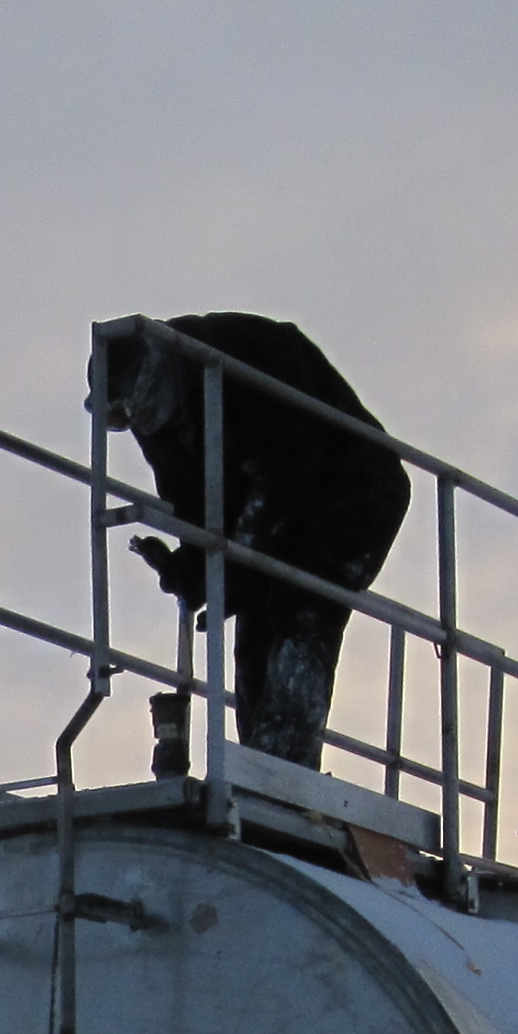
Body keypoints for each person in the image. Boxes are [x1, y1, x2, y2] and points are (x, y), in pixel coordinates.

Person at [93, 312, 411, 770]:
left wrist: (231, 569)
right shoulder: (152, 415)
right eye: (122, 417)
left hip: (353, 489)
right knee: (255, 628)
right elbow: (192, 499)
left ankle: (285, 766)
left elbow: (290, 471)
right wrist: (193, 564)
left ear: (160, 378)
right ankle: (259, 766)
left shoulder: (242, 360)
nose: (137, 422)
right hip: (272, 504)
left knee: (299, 606)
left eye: (136, 409)